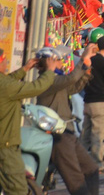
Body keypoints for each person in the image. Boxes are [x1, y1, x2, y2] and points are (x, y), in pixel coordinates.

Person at [36, 45, 99, 195]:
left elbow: (72, 87)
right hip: (57, 135)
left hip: (67, 132)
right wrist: (83, 59)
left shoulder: (56, 79)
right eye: (58, 60)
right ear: (50, 62)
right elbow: (70, 79)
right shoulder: (47, 80)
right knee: (76, 180)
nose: (61, 62)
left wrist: (86, 71)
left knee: (91, 169)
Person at [0, 49, 55, 195]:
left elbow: (8, 80)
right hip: (5, 146)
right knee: (17, 189)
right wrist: (50, 71)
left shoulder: (4, 84)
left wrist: (24, 69)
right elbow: (36, 87)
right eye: (4, 60)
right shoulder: (6, 86)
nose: (6, 63)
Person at [81, 36, 104, 173]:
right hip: (100, 101)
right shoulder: (103, 62)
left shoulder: (92, 59)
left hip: (88, 100)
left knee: (85, 134)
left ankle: (81, 162)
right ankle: (97, 164)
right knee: (98, 135)